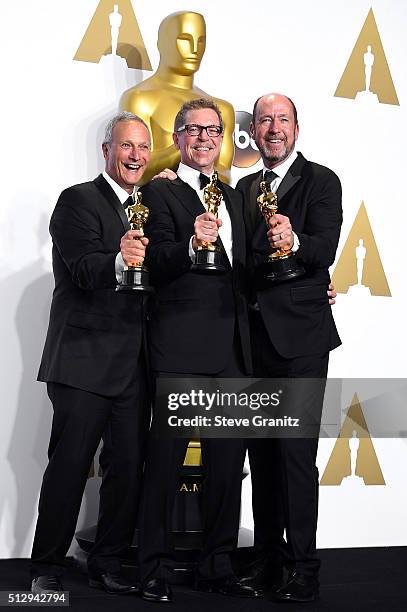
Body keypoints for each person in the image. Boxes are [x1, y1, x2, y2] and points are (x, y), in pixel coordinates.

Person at [137, 98, 260, 602]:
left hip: (233, 348)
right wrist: (190, 245)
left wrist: (311, 286)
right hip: (181, 344)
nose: (205, 139)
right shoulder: (158, 194)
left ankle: (217, 564)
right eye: (194, 130)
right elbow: (155, 258)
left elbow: (250, 268)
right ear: (178, 137)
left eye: (214, 131)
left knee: (228, 465)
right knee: (165, 461)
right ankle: (151, 567)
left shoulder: (234, 199)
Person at [31, 112, 152, 595]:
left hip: (135, 365)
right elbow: (82, 270)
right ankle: (47, 567)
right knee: (70, 466)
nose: (136, 156)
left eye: (143, 147)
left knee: (127, 468)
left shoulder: (153, 205)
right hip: (83, 361)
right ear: (107, 151)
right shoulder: (77, 200)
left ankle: (107, 561)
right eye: (127, 146)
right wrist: (120, 257)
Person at [236, 93, 342, 603]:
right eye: (264, 120)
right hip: (251, 342)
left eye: (282, 119)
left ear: (296, 128)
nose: (273, 128)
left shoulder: (321, 181)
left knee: (296, 456)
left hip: (300, 339)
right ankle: (269, 558)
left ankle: (304, 566)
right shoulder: (241, 188)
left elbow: (324, 247)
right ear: (252, 131)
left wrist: (295, 241)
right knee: (263, 456)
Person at [120, 11, 235, 184]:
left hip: (208, 207)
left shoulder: (222, 109)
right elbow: (135, 168)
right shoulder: (140, 99)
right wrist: (195, 146)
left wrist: (190, 147)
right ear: (162, 43)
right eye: (185, 40)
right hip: (156, 206)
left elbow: (224, 175)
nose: (194, 49)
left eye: (201, 41)